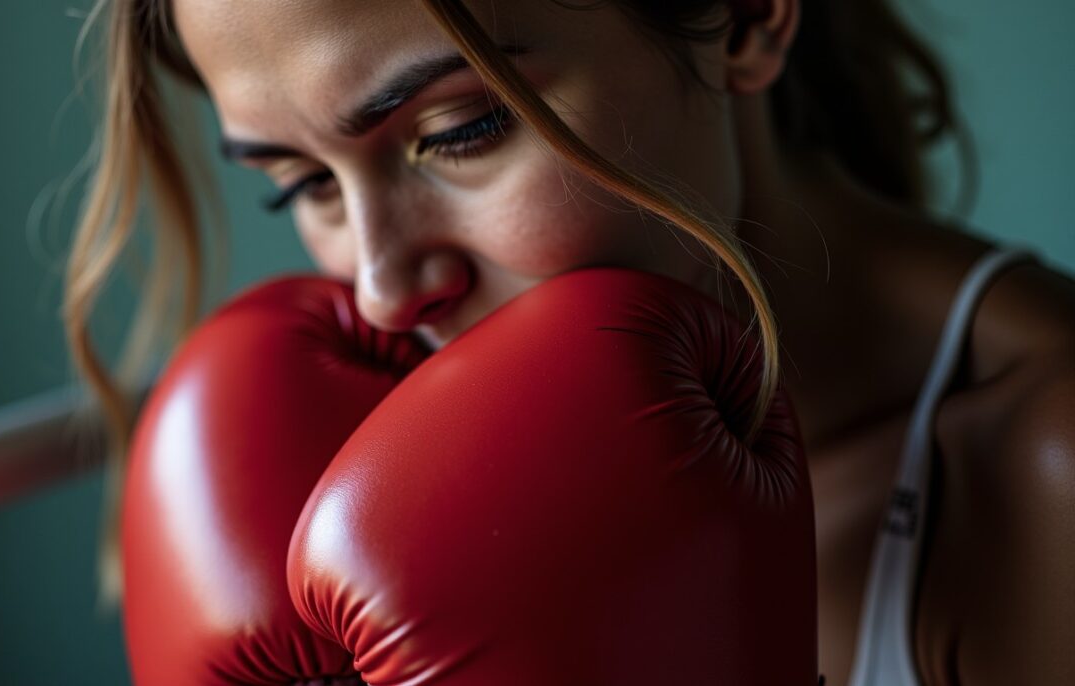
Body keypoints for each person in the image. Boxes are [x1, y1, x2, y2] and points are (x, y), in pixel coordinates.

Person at [64, 0, 1075, 684]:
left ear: (743, 17)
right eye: (304, 183)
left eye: (461, 129)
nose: (380, 291)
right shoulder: (393, 480)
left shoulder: (1042, 459)